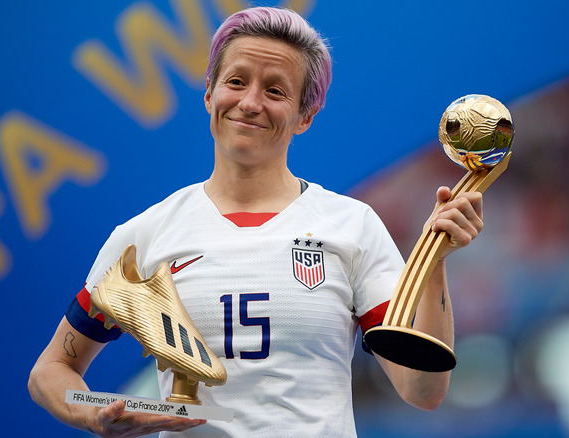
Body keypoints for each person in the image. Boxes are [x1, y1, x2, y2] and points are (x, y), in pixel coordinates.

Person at [28, 6, 484, 437]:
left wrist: (435, 262)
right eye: (236, 81)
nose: (249, 102)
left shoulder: (353, 227)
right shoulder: (143, 236)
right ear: (209, 92)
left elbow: (422, 390)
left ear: (306, 116)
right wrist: (90, 415)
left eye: (275, 90)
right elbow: (51, 371)